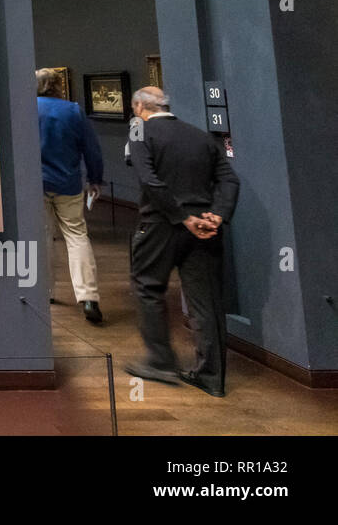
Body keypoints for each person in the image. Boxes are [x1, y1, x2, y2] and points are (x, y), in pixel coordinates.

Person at [124, 86, 239, 396]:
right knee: (206, 302)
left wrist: (181, 216)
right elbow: (229, 179)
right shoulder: (200, 135)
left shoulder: (139, 133)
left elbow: (149, 180)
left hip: (161, 224)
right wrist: (216, 215)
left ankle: (161, 362)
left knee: (148, 288)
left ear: (139, 107)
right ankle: (211, 376)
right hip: (204, 227)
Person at [35, 68, 105, 324]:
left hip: (37, 184)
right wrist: (95, 179)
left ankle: (45, 292)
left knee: (43, 237)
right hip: (68, 184)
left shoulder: (27, 108)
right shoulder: (73, 110)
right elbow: (91, 149)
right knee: (77, 236)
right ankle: (88, 297)